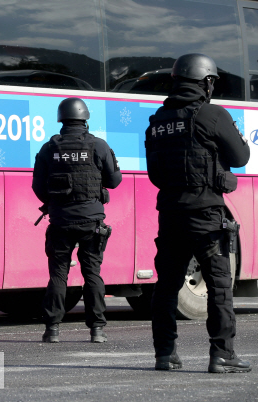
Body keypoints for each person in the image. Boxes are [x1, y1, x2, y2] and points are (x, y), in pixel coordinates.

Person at [145, 53, 251, 373]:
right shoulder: (213, 115)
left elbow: (155, 175)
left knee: (166, 286)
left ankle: (165, 353)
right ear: (206, 82)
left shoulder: (158, 121)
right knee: (219, 285)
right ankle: (222, 354)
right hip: (206, 215)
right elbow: (241, 155)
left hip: (171, 214)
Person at [32, 97, 122, 343]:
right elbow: (113, 181)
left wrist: (55, 202)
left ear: (61, 119)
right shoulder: (99, 146)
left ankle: (52, 329)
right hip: (91, 222)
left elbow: (37, 186)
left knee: (59, 274)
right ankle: (97, 330)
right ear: (85, 119)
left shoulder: (49, 148)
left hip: (60, 221)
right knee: (92, 273)